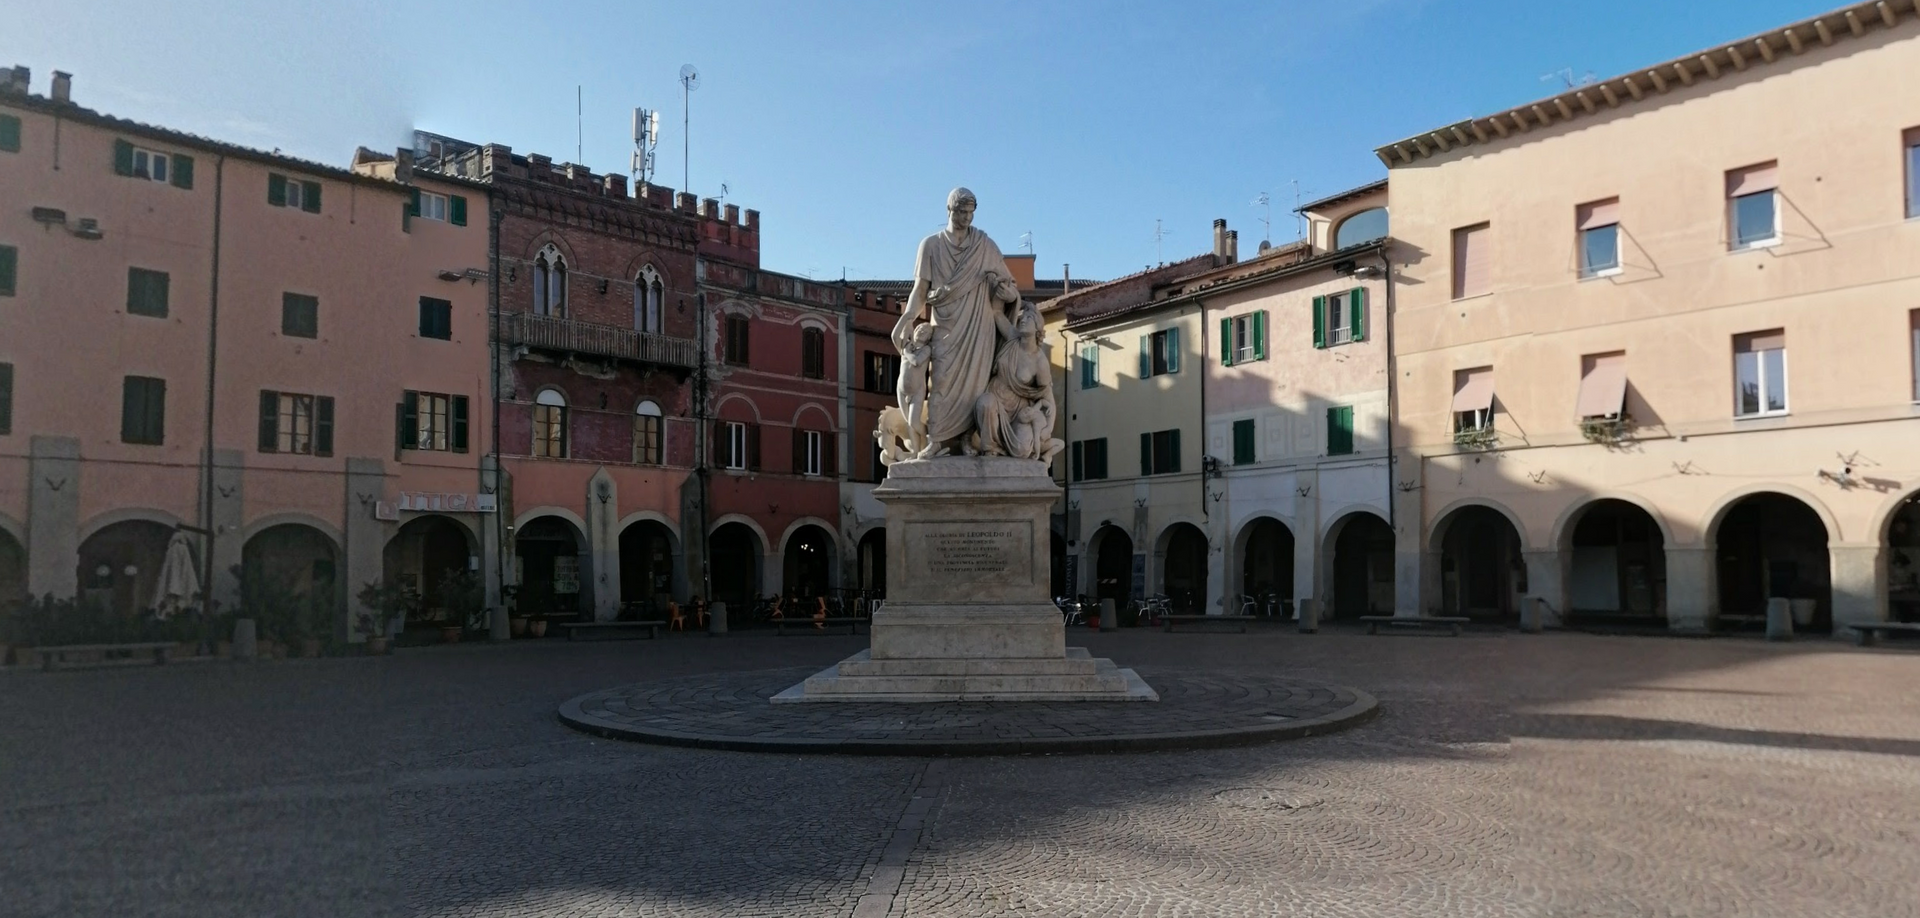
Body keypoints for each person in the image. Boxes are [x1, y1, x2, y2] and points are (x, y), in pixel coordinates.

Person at [891, 187, 1018, 457]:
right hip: (945, 326)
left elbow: (1009, 285)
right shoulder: (931, 246)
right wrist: (906, 319)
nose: (967, 218)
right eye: (962, 212)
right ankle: (936, 439)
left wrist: (1007, 294)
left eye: (971, 213)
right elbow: (920, 291)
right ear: (949, 210)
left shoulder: (985, 246)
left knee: (975, 386)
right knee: (941, 382)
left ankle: (965, 440)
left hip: (978, 326)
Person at [894, 322, 935, 456]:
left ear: (929, 338)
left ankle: (929, 438)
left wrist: (906, 352)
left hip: (917, 390)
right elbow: (894, 336)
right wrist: (906, 318)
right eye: (921, 329)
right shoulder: (907, 345)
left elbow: (916, 361)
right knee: (909, 424)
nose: (922, 333)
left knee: (914, 421)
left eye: (926, 333)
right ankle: (916, 452)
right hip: (901, 389)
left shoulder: (926, 349)